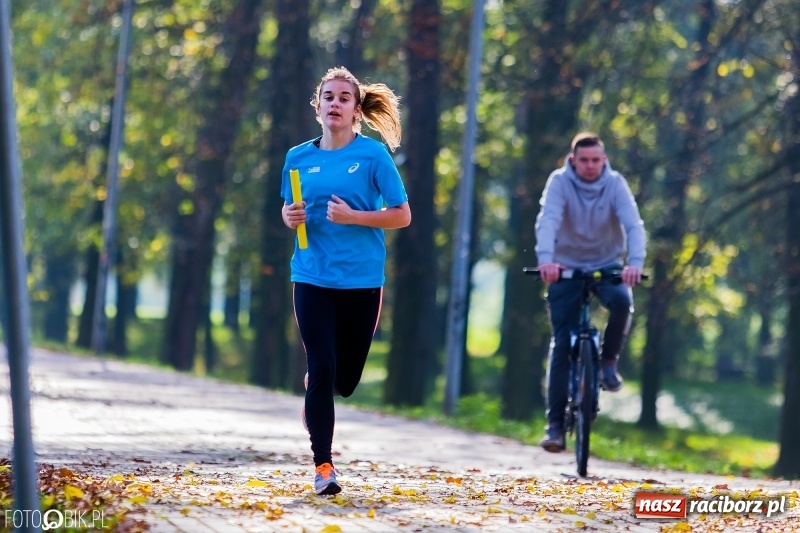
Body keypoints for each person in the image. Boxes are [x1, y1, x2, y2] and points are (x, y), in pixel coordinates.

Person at [281, 66, 411, 495]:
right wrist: (289, 216)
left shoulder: (373, 156)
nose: (334, 103)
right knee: (321, 365)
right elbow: (290, 211)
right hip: (312, 275)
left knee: (345, 381)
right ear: (317, 106)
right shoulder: (297, 157)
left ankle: (317, 390)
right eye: (328, 97)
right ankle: (323, 466)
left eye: (343, 98)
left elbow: (401, 214)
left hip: (361, 280)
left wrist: (355, 216)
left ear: (356, 110)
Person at [534, 132, 646, 452]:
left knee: (623, 300)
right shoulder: (559, 183)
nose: (590, 166)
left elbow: (633, 226)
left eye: (596, 160)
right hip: (564, 266)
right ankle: (555, 426)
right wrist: (546, 261)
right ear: (573, 160)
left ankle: (608, 362)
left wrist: (634, 263)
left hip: (607, 264)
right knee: (561, 343)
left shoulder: (615, 184)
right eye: (584, 160)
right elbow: (548, 221)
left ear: (604, 160)